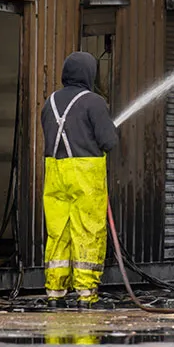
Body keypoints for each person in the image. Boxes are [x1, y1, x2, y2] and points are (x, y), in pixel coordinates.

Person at [41, 52, 118, 308]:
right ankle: (86, 293)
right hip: (85, 173)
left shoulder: (49, 102)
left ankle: (55, 292)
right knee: (87, 230)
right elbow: (109, 142)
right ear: (88, 73)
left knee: (58, 232)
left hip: (54, 172)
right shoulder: (94, 102)